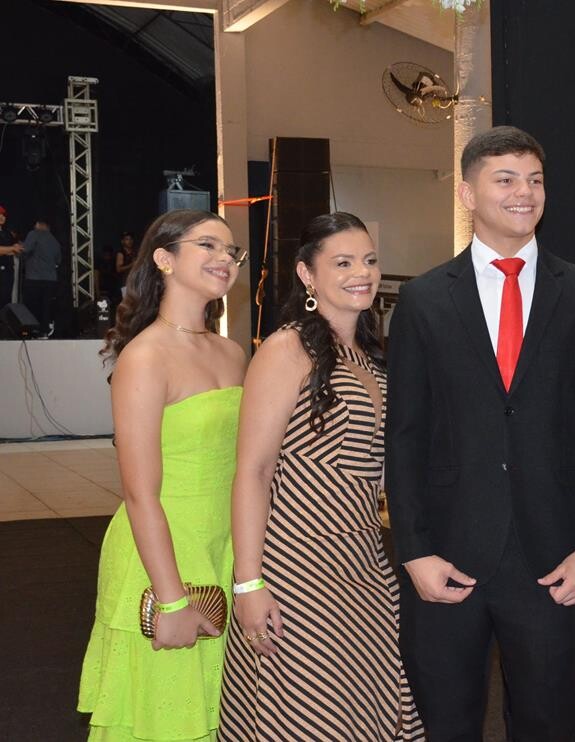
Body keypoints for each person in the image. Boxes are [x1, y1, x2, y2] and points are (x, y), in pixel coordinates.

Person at [385, 126, 575, 740]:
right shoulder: (424, 300)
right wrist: (414, 550)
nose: (525, 193)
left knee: (552, 725)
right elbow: (404, 436)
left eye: (535, 180)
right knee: (447, 725)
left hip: (554, 561)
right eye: (506, 179)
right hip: (446, 556)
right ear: (468, 193)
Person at [218, 212, 424, 741]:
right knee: (310, 712)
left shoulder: (371, 359)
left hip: (364, 562)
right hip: (297, 566)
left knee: (364, 706)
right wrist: (248, 582)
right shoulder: (287, 349)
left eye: (370, 261)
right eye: (344, 263)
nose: (363, 273)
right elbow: (253, 472)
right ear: (307, 274)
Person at [78, 209, 248, 741]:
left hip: (223, 549)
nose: (225, 259)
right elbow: (139, 493)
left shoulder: (232, 352)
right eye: (208, 246)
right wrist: (171, 599)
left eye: (231, 251)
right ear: (164, 259)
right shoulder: (145, 357)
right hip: (162, 555)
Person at [20, 218, 62, 336]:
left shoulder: (33, 234)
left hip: (34, 278)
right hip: (51, 279)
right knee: (46, 307)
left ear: (38, 225)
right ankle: (45, 331)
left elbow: (25, 250)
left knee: (32, 307)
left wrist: (19, 246)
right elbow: (58, 261)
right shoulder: (54, 240)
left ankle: (32, 331)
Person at [0, 205, 23, 308]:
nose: (2, 217)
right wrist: (12, 248)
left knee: (6, 302)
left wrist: (16, 249)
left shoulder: (7, 234)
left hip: (8, 273)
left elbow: (9, 250)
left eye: (3, 215)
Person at [115, 230, 137, 298]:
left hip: (134, 282)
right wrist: (132, 265)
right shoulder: (121, 253)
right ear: (122, 241)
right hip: (124, 282)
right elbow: (118, 269)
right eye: (127, 239)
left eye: (131, 239)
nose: (129, 241)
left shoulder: (135, 252)